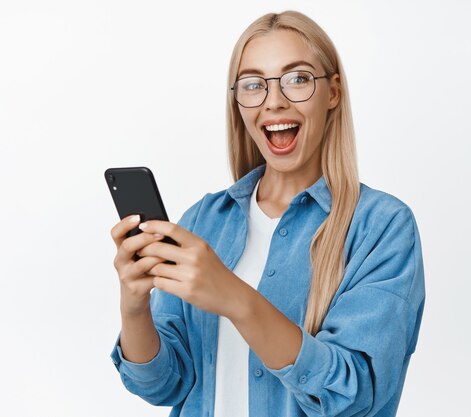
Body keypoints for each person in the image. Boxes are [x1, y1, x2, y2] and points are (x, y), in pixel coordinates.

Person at [109, 10, 425, 417]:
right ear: (238, 102)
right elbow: (162, 384)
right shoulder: (203, 220)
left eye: (297, 79)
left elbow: (354, 396)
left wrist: (235, 297)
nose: (274, 101)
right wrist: (133, 304)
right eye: (254, 85)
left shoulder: (381, 227)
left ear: (333, 92)